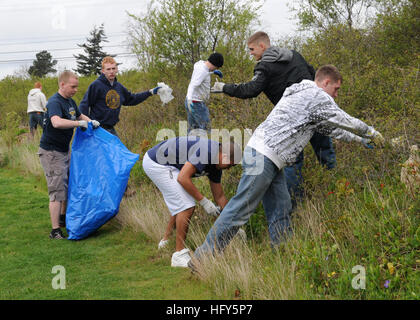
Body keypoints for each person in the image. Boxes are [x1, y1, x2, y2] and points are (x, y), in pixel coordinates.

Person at [191, 65, 384, 264]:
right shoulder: (317, 96)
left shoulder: (302, 94)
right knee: (240, 209)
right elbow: (344, 119)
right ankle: (202, 259)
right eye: (336, 89)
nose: (335, 96)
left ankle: (284, 258)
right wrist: (372, 133)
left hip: (268, 157)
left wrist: (360, 140)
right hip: (264, 155)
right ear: (326, 82)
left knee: (281, 208)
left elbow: (333, 129)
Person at [211, 31, 336, 203]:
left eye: (252, 49)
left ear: (262, 46)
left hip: (293, 122)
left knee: (293, 160)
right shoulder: (294, 55)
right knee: (324, 151)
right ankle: (334, 190)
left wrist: (225, 88)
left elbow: (251, 89)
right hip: (315, 112)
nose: (250, 53)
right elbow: (313, 74)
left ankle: (294, 202)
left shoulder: (265, 66)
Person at [142, 135, 241, 267]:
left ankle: (166, 240)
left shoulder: (217, 165)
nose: (229, 168)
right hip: (156, 163)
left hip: (169, 165)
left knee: (181, 200)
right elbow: (183, 178)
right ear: (224, 156)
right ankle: (179, 255)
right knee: (186, 206)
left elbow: (220, 197)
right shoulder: (207, 152)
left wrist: (232, 223)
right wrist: (204, 201)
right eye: (230, 164)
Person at [38, 70, 100, 239]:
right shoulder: (54, 102)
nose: (75, 90)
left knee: (69, 184)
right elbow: (56, 122)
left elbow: (80, 115)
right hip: (51, 152)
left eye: (77, 87)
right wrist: (78, 123)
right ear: (62, 84)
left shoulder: (70, 102)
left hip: (64, 150)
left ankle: (63, 219)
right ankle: (55, 230)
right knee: (57, 190)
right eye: (73, 87)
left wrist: (91, 122)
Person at [79, 56, 161, 137]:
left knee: (118, 150)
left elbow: (132, 99)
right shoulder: (96, 85)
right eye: (108, 69)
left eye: (113, 68)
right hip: (97, 128)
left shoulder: (118, 87)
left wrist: (150, 92)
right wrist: (86, 124)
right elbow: (84, 104)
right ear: (103, 71)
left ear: (117, 69)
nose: (111, 71)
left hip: (110, 128)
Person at [185, 52, 224, 134]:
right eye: (216, 67)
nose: (215, 69)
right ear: (215, 64)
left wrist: (212, 72)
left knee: (193, 129)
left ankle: (188, 145)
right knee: (206, 129)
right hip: (196, 103)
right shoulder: (203, 71)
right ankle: (205, 146)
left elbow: (201, 74)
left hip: (192, 102)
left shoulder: (200, 64)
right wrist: (189, 100)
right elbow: (192, 85)